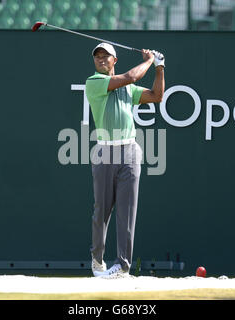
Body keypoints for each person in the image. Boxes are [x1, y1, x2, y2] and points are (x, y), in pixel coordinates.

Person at [85, 42, 165, 278]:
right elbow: (130, 76)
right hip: (105, 152)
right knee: (101, 211)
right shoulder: (94, 82)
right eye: (97, 56)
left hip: (130, 152)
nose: (101, 59)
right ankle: (97, 260)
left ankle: (122, 266)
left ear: (114, 60)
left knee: (126, 212)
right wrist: (150, 60)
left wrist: (160, 68)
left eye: (105, 56)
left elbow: (157, 96)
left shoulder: (127, 90)